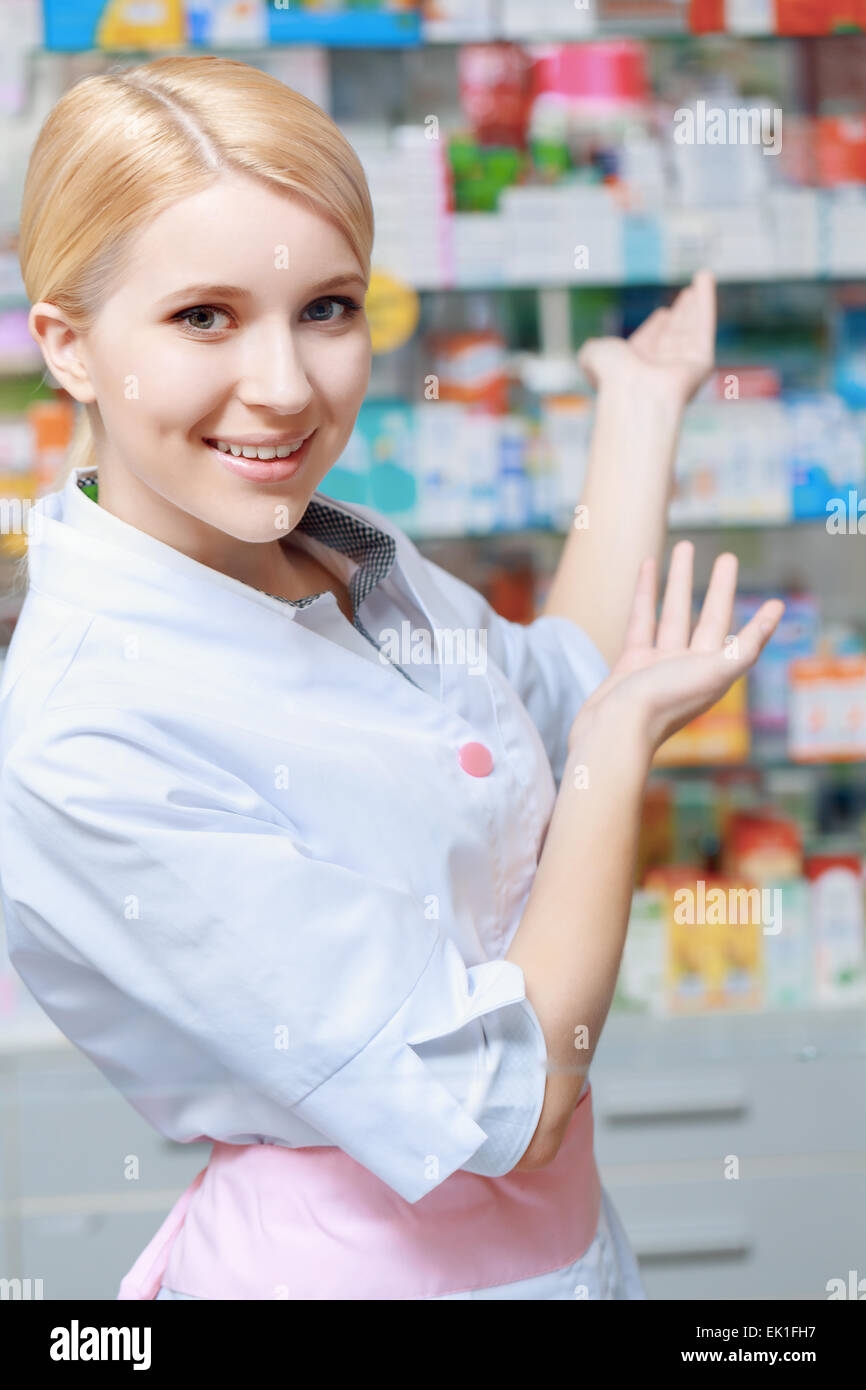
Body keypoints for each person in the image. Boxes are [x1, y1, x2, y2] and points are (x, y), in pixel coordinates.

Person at [0, 54, 783, 1301]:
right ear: (71, 346)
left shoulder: (334, 552)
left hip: (560, 1257)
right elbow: (510, 1101)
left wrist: (638, 408)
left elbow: (553, 687)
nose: (284, 388)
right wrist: (616, 752)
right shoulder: (86, 733)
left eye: (326, 308)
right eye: (203, 317)